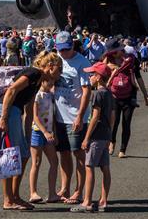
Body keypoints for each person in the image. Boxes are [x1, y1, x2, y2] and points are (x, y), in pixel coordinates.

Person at [0, 51, 63, 211]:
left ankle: (15, 196)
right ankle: (8, 199)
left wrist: (27, 135)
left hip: (15, 112)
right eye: (59, 69)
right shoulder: (33, 73)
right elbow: (11, 90)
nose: (60, 73)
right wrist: (3, 118)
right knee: (8, 154)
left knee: (23, 154)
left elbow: (29, 109)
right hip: (7, 110)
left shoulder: (38, 80)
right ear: (50, 66)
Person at [70, 61, 115, 213]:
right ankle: (104, 200)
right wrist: (110, 135)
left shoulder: (97, 94)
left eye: (92, 74)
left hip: (96, 136)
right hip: (105, 134)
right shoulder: (109, 93)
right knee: (105, 168)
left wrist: (86, 138)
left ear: (98, 76)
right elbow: (112, 116)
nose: (89, 77)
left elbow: (95, 117)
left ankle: (87, 202)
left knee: (89, 167)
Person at [53, 30, 92, 205]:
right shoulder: (56, 59)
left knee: (79, 155)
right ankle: (65, 187)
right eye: (60, 50)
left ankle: (78, 190)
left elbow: (86, 91)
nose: (63, 53)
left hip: (75, 116)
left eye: (66, 49)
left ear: (72, 45)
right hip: (59, 116)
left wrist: (80, 116)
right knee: (64, 154)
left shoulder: (82, 62)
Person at [103, 38, 148, 158]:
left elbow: (138, 77)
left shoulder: (131, 60)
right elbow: (101, 76)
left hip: (129, 96)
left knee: (126, 123)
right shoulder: (108, 60)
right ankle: (112, 142)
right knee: (114, 122)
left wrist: (145, 94)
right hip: (114, 96)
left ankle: (123, 149)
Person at [28, 73, 59, 205]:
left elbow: (53, 115)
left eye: (53, 81)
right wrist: (45, 132)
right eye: (49, 81)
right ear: (42, 81)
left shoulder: (51, 95)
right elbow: (35, 117)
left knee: (54, 161)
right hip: (37, 131)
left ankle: (52, 193)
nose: (51, 84)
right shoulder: (37, 96)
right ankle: (33, 192)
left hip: (49, 132)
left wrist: (54, 133)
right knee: (36, 162)